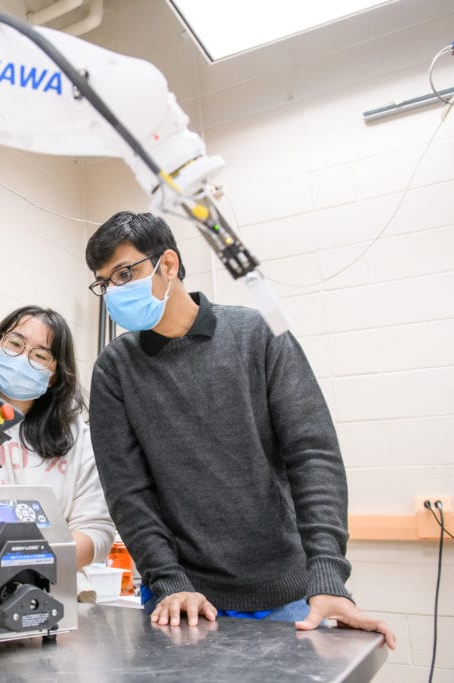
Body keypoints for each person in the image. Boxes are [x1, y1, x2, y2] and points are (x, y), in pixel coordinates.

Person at [84, 211, 395, 648]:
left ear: (167, 264)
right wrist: (169, 581)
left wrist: (327, 574)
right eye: (105, 282)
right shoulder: (115, 369)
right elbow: (127, 490)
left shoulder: (258, 334)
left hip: (285, 590)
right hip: (182, 599)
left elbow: (313, 455)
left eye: (124, 273)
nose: (114, 291)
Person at [0, 306, 116, 600]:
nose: (22, 359)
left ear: (54, 375)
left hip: (52, 597)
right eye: (15, 344)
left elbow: (97, 532)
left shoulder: (74, 435)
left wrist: (27, 563)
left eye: (41, 355)